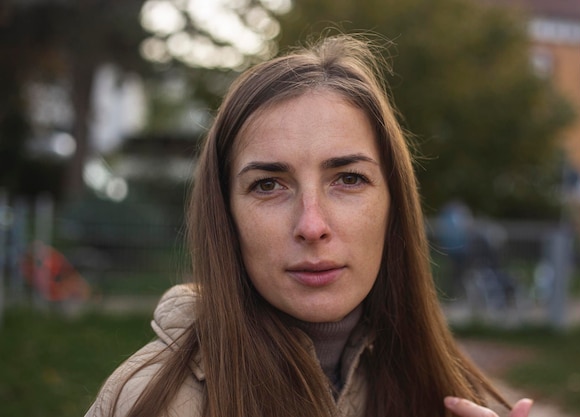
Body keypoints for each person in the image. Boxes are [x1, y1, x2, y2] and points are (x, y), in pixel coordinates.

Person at [85, 33, 534, 417]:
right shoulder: (153, 401)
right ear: (225, 215)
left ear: (393, 205)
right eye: (267, 185)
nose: (312, 225)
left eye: (348, 179)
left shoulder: (438, 389)